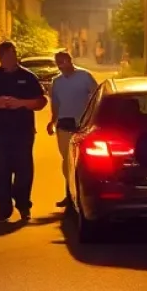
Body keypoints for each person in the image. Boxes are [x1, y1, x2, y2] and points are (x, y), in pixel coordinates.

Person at [0, 40, 47, 222]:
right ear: (0, 58)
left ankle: (23, 205)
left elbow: (41, 102)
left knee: (24, 170)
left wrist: (21, 103)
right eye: (6, 55)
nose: (10, 58)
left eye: (13, 54)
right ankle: (4, 208)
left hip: (22, 131)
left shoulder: (28, 77)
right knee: (1, 170)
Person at [46, 50, 98, 208]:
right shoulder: (57, 82)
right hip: (63, 124)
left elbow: (96, 96)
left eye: (63, 62)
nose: (61, 66)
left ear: (70, 61)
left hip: (82, 125)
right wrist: (52, 121)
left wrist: (93, 118)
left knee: (84, 162)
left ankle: (86, 195)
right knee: (67, 161)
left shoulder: (85, 77)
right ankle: (68, 194)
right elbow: (55, 103)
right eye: (58, 63)